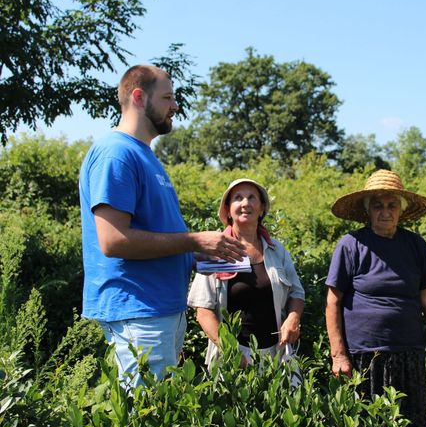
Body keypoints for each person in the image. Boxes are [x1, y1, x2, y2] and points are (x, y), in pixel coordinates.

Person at [79, 65, 246, 387]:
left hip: (159, 308)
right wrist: (194, 240)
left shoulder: (144, 156)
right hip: (139, 311)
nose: (175, 106)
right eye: (168, 97)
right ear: (139, 97)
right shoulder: (116, 154)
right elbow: (114, 241)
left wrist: (201, 257)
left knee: (161, 414)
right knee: (145, 415)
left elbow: (155, 235)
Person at [325, 169, 426, 427]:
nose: (385, 211)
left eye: (392, 205)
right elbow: (333, 301)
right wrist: (338, 355)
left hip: (409, 354)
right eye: (378, 205)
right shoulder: (351, 245)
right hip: (365, 356)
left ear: (401, 210)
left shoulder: (415, 244)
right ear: (368, 210)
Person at [187, 178, 305, 372]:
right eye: (238, 198)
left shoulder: (277, 250)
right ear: (228, 210)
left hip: (278, 354)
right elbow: (203, 310)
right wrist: (231, 351)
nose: (245, 203)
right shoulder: (216, 249)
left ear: (261, 208)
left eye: (252, 198)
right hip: (232, 356)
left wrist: (293, 318)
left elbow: (296, 293)